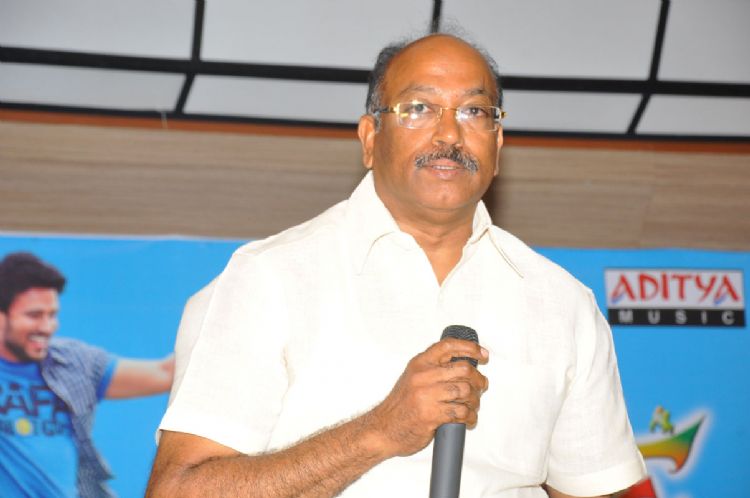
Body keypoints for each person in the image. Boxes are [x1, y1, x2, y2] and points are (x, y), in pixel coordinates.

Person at [146, 32, 647, 497]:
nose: (449, 133)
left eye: (474, 111)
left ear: (497, 145)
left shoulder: (562, 303)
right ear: (370, 138)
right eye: (419, 108)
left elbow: (596, 487)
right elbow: (178, 489)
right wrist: (380, 431)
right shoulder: (268, 278)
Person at [0, 251, 175, 498]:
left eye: (52, 315)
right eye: (34, 315)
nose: (47, 327)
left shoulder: (73, 363)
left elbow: (164, 373)